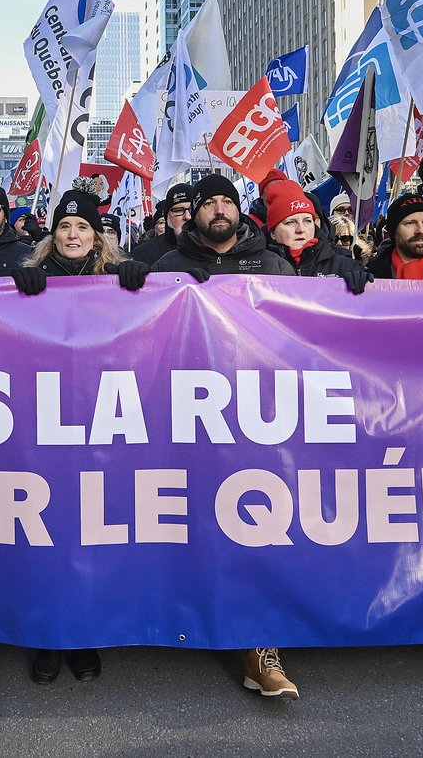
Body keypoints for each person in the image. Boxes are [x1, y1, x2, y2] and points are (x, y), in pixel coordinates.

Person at [147, 175, 300, 699]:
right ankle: (178, 616)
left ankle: (261, 651)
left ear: (239, 211)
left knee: (258, 526)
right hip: (187, 418)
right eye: (208, 202)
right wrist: (131, 282)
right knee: (188, 523)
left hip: (258, 417)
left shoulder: (273, 265)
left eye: (226, 201)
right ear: (193, 214)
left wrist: (347, 281)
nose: (218, 209)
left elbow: (305, 330)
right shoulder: (166, 265)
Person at [9, 189, 149, 684]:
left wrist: (143, 283)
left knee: (92, 535)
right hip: (44, 425)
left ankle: (85, 634)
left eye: (82, 227)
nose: (72, 234)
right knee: (48, 534)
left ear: (97, 235)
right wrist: (14, 289)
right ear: (52, 235)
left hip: (100, 425)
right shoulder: (29, 278)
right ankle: (49, 636)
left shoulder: (118, 277)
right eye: (64, 227)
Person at [263, 181, 368, 290]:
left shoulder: (345, 266)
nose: (301, 229)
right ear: (273, 233)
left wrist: (366, 286)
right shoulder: (259, 268)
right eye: (290, 222)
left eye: (307, 221)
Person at [132, 182, 193, 267]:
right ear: (167, 217)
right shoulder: (144, 254)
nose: (187, 216)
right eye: (178, 210)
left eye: (191, 210)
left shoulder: (211, 248)